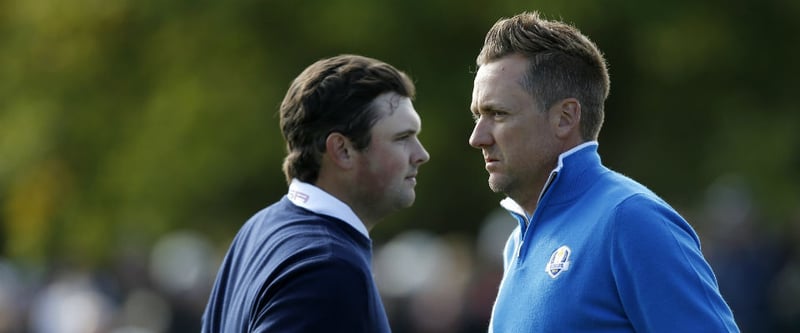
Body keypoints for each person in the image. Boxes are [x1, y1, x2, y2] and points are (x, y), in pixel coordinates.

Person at [468, 12, 739, 332]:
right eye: (477, 116)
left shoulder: (631, 218)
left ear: (565, 118)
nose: (477, 138)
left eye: (497, 113)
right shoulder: (517, 241)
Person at [202, 54, 430, 332]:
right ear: (342, 150)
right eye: (402, 138)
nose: (421, 154)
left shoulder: (259, 228)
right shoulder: (327, 268)